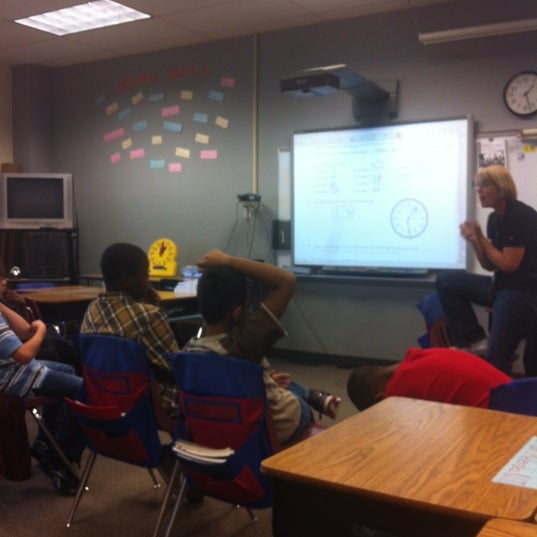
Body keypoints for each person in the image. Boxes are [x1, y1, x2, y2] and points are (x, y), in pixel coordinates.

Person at [182, 250, 341, 446]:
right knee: (291, 397)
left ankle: (307, 393)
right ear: (237, 312)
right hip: (274, 428)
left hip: (219, 429)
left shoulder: (186, 353)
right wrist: (229, 259)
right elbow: (287, 280)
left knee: (274, 382)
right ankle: (310, 397)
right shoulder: (246, 342)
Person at [436, 165, 537, 374]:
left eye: (485, 185)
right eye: (476, 186)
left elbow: (509, 264)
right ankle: (474, 339)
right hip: (500, 285)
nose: (478, 190)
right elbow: (490, 264)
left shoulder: (519, 215)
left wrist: (482, 239)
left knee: (496, 357)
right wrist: (475, 241)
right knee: (446, 280)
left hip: (523, 291)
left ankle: (501, 401)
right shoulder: (494, 218)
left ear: (501, 188)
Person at [80, 242, 180, 420]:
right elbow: (175, 367)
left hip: (103, 399)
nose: (147, 280)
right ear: (127, 278)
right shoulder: (148, 314)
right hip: (150, 405)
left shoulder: (91, 309)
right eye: (145, 274)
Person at [0, 299, 85, 494]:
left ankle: (44, 443)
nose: (4, 282)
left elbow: (24, 331)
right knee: (85, 391)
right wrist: (42, 331)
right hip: (16, 378)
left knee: (68, 370)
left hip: (17, 370)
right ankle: (61, 457)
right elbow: (24, 354)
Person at [346, 346, 512, 412]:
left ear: (379, 399)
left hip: (508, 419)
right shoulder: (420, 356)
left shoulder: (396, 396)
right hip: (522, 394)